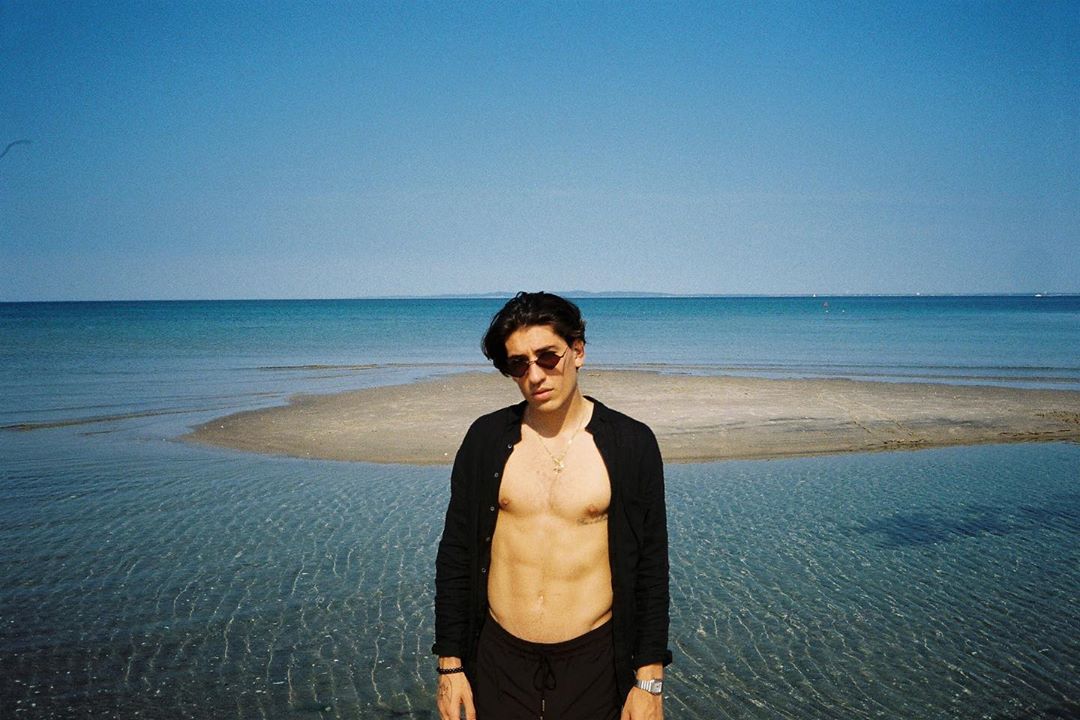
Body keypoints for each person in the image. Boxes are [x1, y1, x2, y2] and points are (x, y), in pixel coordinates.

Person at [433, 291, 671, 720]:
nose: (535, 375)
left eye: (547, 357)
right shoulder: (486, 439)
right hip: (499, 660)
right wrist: (450, 666)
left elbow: (651, 569)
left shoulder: (631, 444)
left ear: (577, 351)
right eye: (519, 364)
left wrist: (649, 681)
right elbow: (455, 556)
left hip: (595, 664)